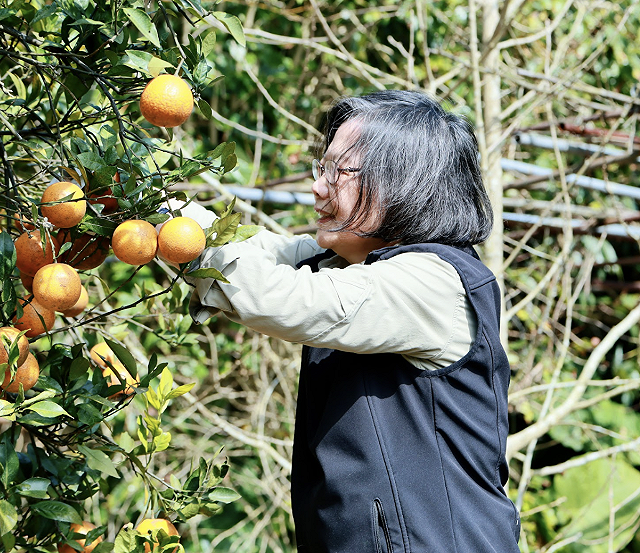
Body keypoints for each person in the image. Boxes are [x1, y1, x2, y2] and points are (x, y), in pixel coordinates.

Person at [178, 90, 521, 553]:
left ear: (405, 181)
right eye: (323, 168)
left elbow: (276, 295)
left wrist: (157, 224)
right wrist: (141, 205)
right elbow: (250, 250)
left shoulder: (433, 282)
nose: (319, 187)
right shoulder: (346, 262)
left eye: (341, 172)